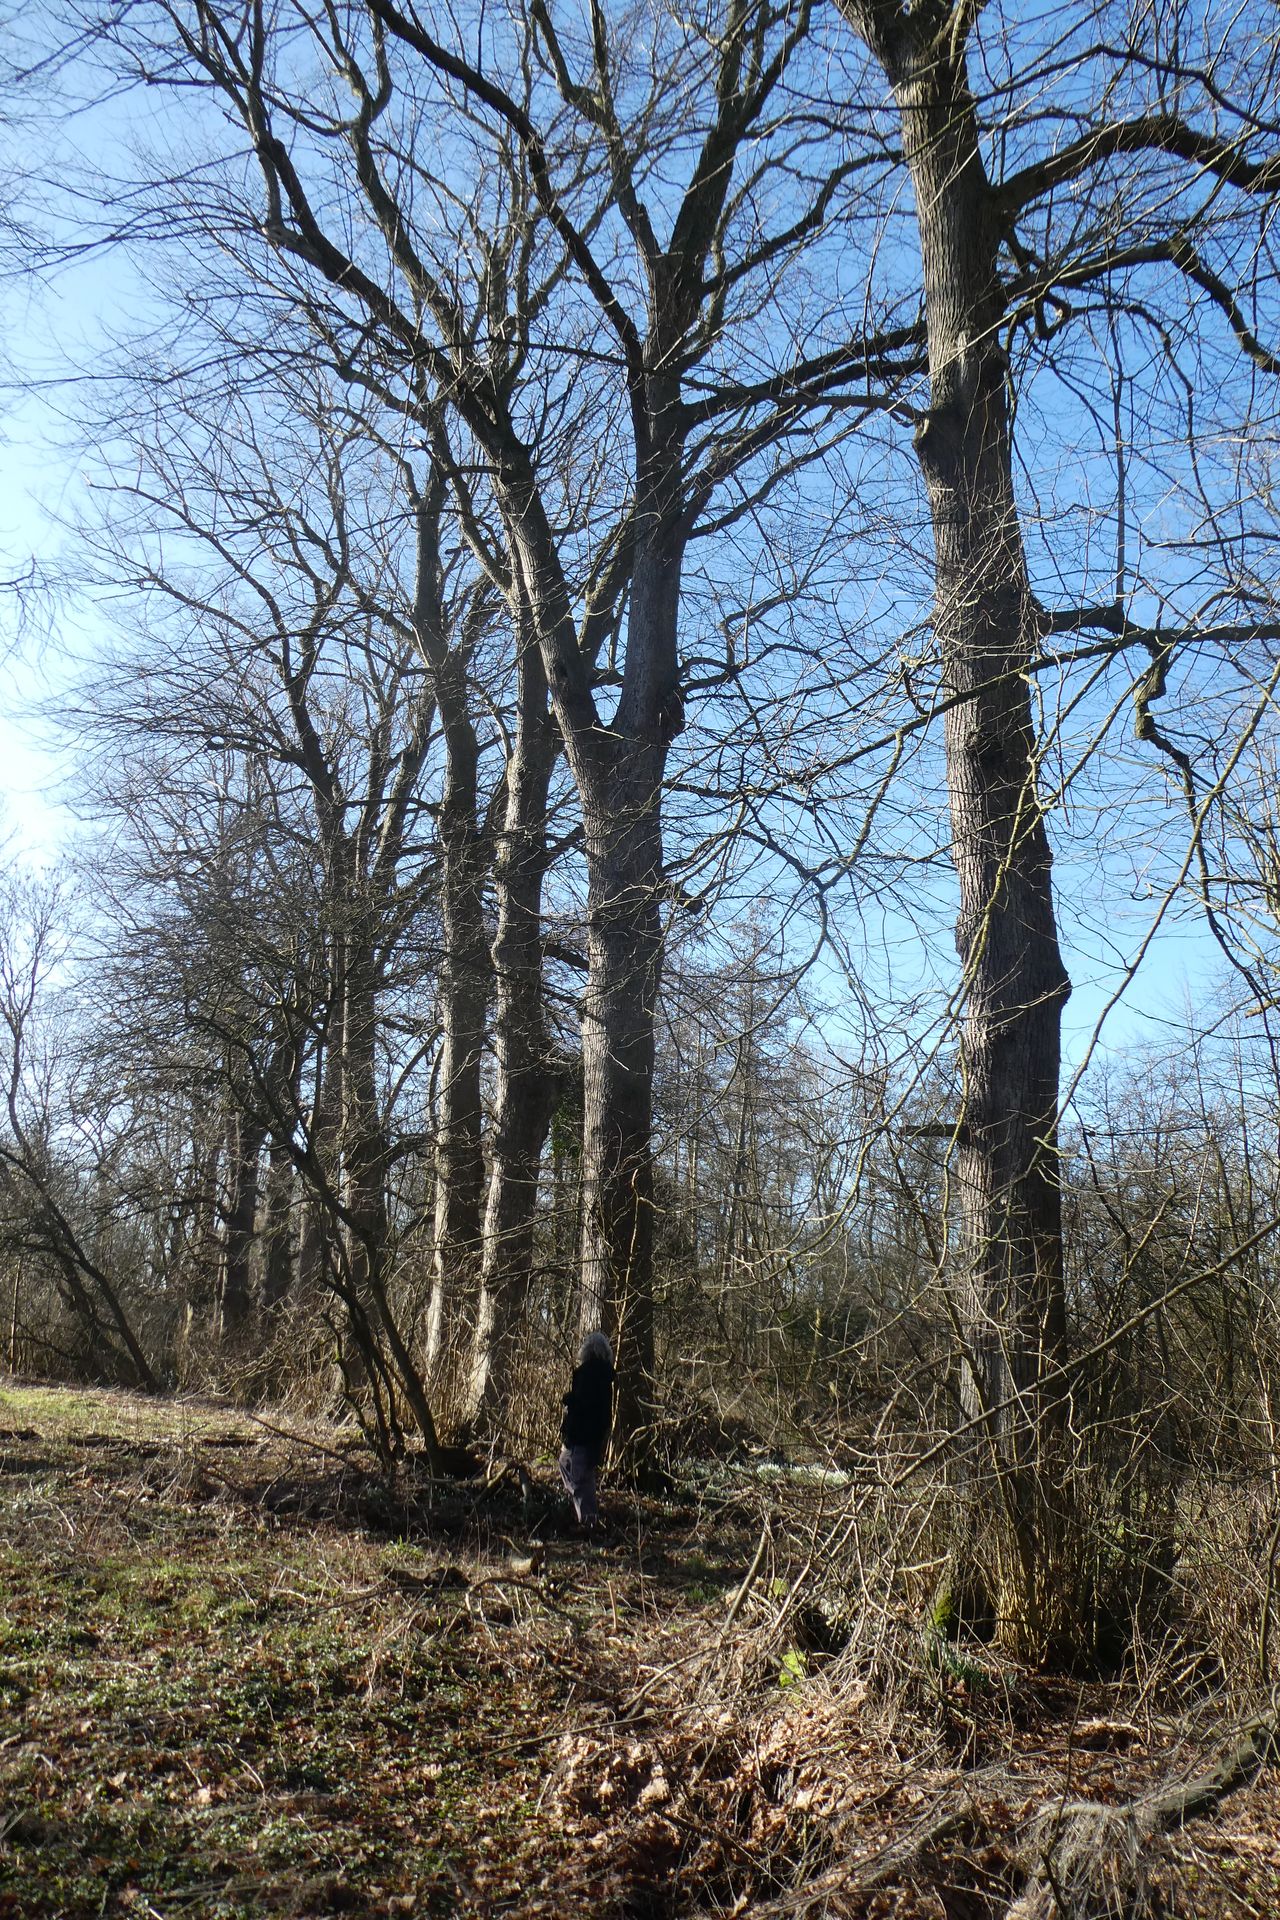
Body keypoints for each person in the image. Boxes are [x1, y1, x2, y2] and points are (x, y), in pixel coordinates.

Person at [558, 1330, 614, 1531]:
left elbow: (584, 1404)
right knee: (574, 1469)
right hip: (593, 1434)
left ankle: (589, 1522)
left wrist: (569, 1399)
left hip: (582, 1433)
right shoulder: (605, 1375)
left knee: (579, 1477)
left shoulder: (588, 1374)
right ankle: (588, 1519)